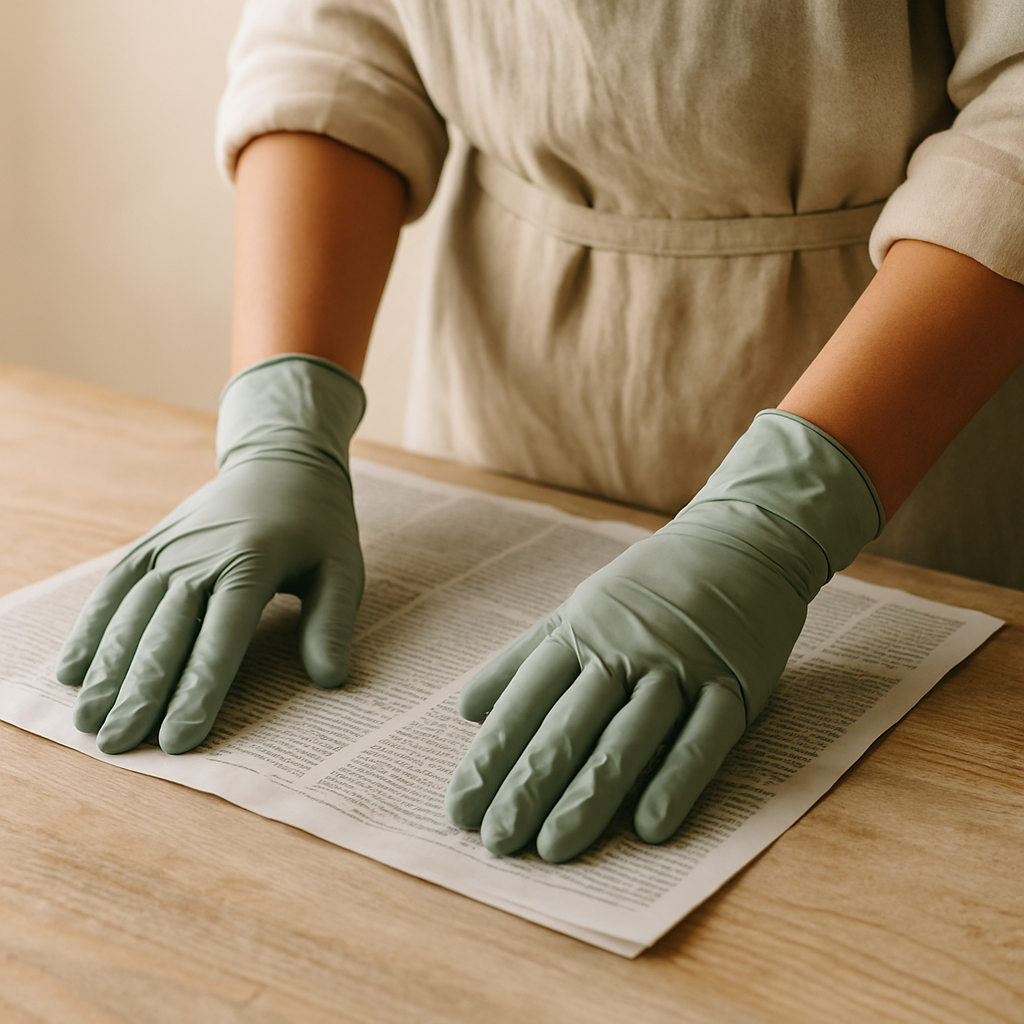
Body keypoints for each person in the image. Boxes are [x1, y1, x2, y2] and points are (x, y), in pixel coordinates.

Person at [57, 2, 1024, 862]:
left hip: (896, 428)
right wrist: (283, 418)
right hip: (509, 409)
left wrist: (776, 520)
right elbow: (337, 41)